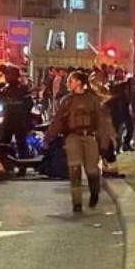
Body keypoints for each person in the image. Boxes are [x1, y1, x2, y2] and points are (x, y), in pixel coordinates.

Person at [46, 71, 110, 213]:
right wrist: (48, 137)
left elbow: (101, 122)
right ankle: (77, 203)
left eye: (71, 81)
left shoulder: (92, 100)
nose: (68, 84)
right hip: (72, 137)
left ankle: (94, 192)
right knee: (74, 169)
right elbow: (58, 120)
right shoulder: (67, 101)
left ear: (79, 82)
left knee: (92, 170)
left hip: (90, 137)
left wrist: (104, 143)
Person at [0, 65, 34, 176]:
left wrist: (20, 110)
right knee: (4, 143)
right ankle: (6, 165)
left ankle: (23, 167)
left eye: (8, 75)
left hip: (19, 120)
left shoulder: (22, 89)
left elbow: (29, 104)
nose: (6, 77)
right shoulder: (4, 89)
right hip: (7, 120)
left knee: (21, 144)